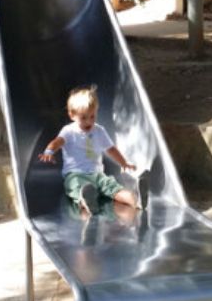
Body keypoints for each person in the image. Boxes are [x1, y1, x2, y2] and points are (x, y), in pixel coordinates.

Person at [38, 86, 140, 215]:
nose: (89, 121)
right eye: (84, 117)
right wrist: (49, 151)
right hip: (75, 174)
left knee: (113, 188)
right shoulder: (68, 131)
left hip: (98, 175)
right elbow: (57, 142)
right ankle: (86, 201)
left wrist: (124, 163)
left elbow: (111, 149)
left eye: (92, 116)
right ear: (72, 115)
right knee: (75, 186)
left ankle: (135, 200)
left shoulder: (99, 130)